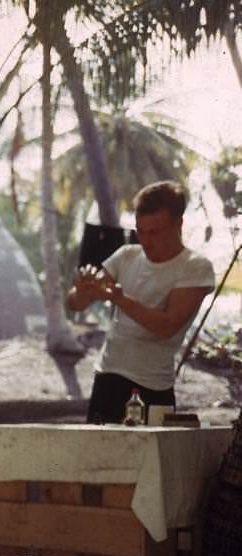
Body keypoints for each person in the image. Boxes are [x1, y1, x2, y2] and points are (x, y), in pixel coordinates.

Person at [66, 181, 215, 424]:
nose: (146, 241)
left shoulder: (195, 266)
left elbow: (167, 326)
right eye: (140, 231)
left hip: (152, 385)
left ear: (178, 224)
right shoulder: (127, 255)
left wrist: (120, 299)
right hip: (107, 377)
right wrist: (83, 290)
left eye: (154, 232)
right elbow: (74, 303)